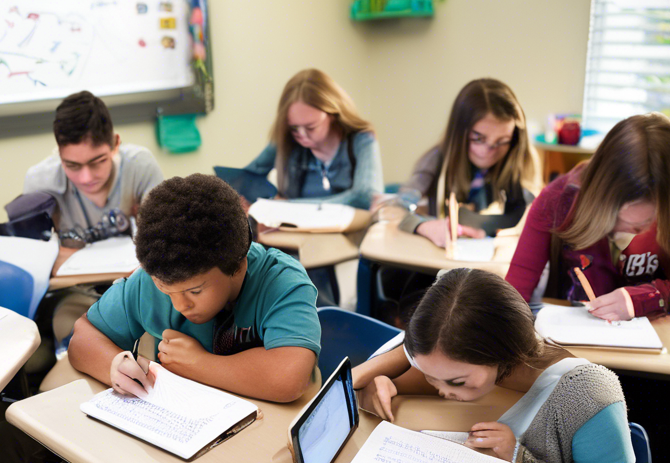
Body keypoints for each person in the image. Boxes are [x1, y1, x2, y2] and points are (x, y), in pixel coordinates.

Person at [0, 174, 321, 463]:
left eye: (195, 291)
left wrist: (200, 365)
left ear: (238, 263)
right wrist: (113, 363)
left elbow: (289, 376)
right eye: (166, 291)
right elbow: (84, 337)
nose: (179, 305)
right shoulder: (158, 281)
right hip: (166, 449)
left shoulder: (280, 280)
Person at [354, 268, 640, 463]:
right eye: (429, 376)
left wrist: (520, 458)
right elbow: (359, 381)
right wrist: (383, 379)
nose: (442, 391)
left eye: (457, 382)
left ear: (502, 352)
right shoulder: (449, 358)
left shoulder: (587, 396)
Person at [506, 112, 670, 319]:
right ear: (599, 193)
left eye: (649, 221)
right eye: (617, 217)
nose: (637, 231)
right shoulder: (556, 201)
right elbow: (514, 290)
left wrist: (645, 298)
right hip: (576, 337)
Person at [21, 90, 164, 274]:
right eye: (72, 165)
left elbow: (160, 245)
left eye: (98, 162)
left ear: (115, 143)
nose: (86, 178)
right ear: (59, 153)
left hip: (134, 283)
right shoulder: (39, 183)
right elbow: (35, 263)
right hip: (71, 289)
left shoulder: (140, 167)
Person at [397, 78, 541, 246]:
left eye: (502, 141)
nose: (488, 151)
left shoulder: (520, 160)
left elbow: (534, 216)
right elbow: (394, 210)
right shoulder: (435, 160)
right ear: (459, 133)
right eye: (478, 139)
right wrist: (423, 226)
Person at [241, 68, 383, 209]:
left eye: (311, 127)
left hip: (349, 231)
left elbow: (365, 197)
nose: (302, 135)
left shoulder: (362, 140)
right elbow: (246, 178)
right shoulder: (286, 140)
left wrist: (287, 206)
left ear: (332, 114)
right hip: (293, 230)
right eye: (294, 127)